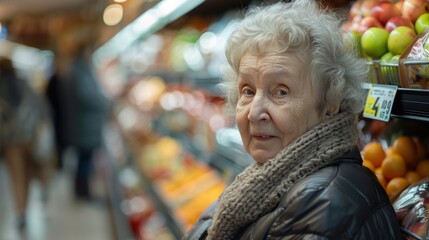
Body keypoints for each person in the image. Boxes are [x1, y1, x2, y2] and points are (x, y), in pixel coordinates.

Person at [184, 0, 402, 239]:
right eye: (247, 90)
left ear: (330, 101)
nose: (254, 112)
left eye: (281, 92)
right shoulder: (266, 180)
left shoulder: (323, 205)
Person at [0, 58, 54, 231]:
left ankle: (21, 212)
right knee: (31, 172)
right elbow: (42, 108)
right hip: (30, 138)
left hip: (11, 143)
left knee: (17, 177)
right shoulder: (26, 85)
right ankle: (38, 195)